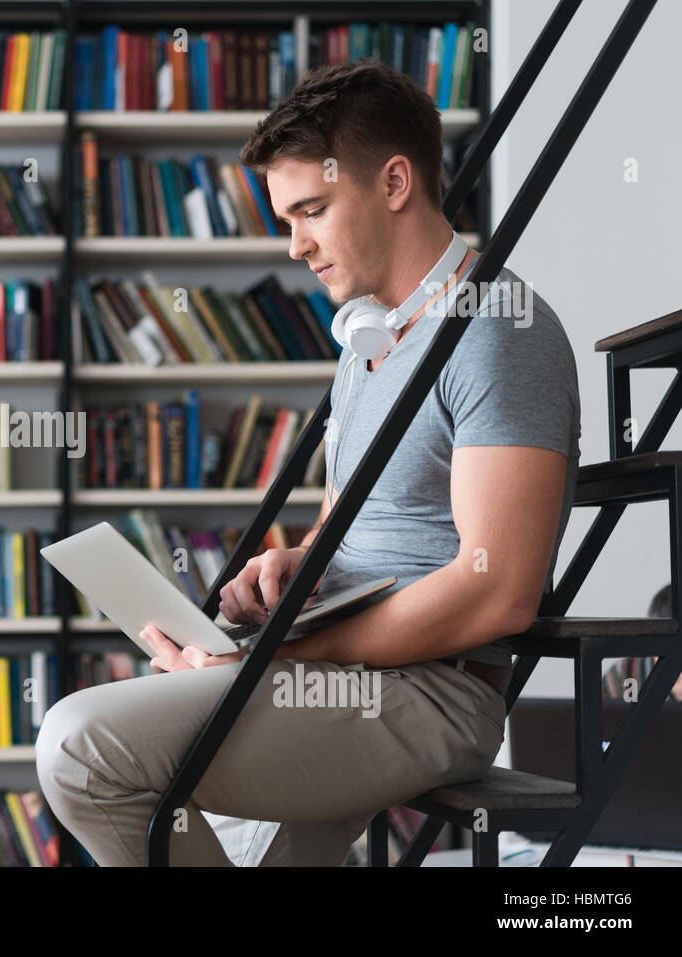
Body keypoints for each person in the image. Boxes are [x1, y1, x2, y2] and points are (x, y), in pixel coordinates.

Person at [35, 60, 582, 866]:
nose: (296, 245)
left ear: (395, 181)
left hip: (433, 691)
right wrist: (292, 573)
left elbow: (498, 590)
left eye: (313, 210)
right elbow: (349, 526)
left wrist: (288, 655)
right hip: (343, 668)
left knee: (78, 744)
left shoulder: (499, 329)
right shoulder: (366, 346)